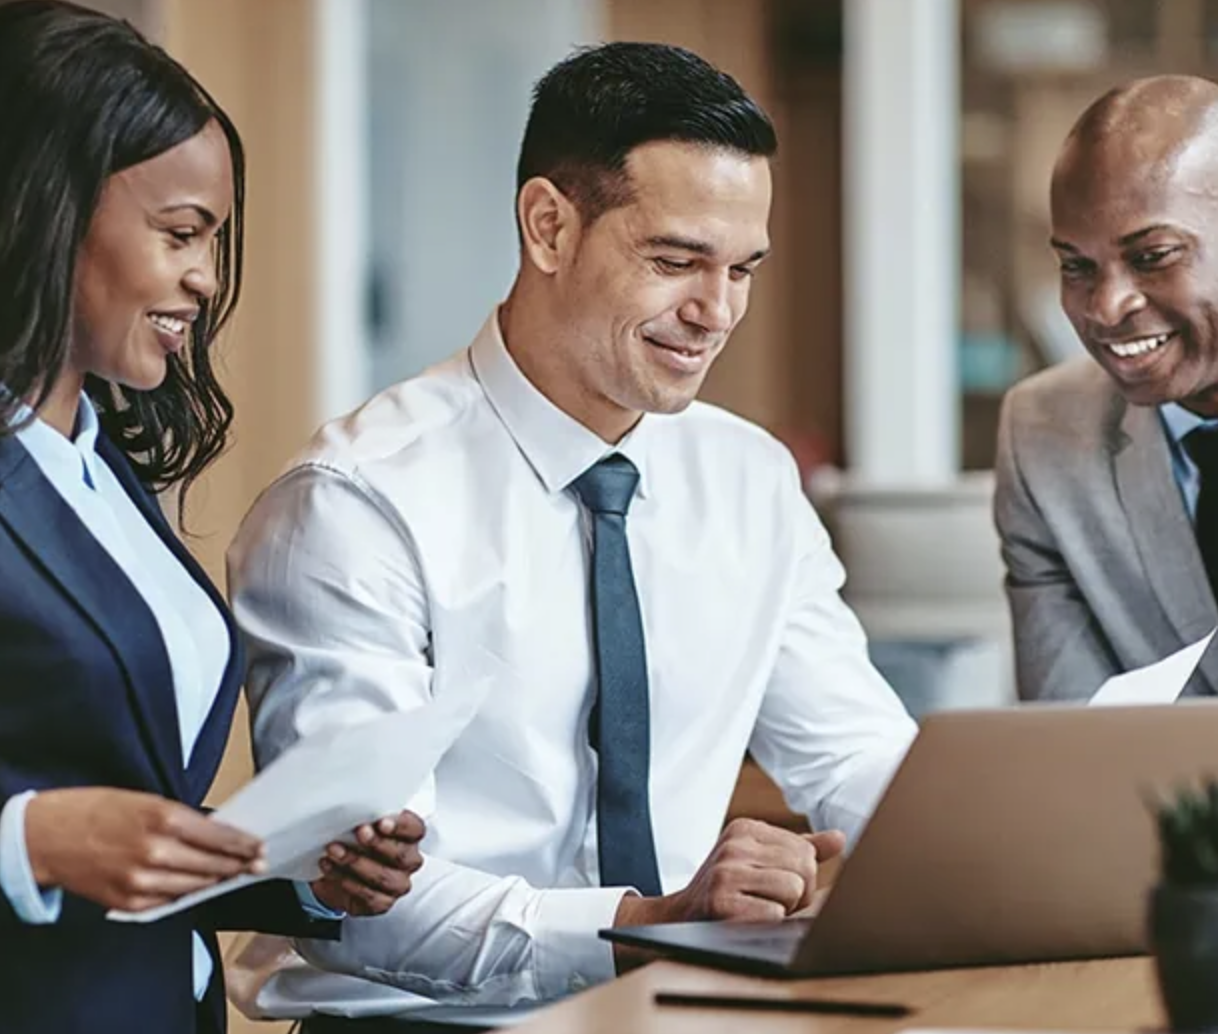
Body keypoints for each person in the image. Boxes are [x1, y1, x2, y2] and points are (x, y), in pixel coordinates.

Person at [226, 41, 917, 1030]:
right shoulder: (355, 504)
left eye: (740, 270)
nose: (713, 312)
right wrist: (650, 920)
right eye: (674, 260)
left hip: (679, 1012)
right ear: (548, 224)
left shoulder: (750, 480)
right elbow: (361, 905)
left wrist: (964, 854)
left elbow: (852, 756)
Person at [0, 4, 426, 1033]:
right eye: (180, 232)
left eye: (214, 239)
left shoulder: (99, 466)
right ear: (45, 208)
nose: (204, 276)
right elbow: (65, 827)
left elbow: (138, 822)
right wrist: (28, 839)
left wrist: (306, 873)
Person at [995, 75, 1218, 701]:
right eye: (1076, 266)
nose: (1106, 308)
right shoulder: (1043, 437)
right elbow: (1075, 738)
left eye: (1153, 255)